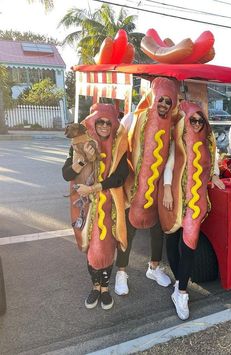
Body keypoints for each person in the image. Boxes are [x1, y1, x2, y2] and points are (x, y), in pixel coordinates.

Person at [159, 101, 224, 320]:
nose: (196, 124)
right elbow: (169, 164)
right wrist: (167, 190)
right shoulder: (178, 138)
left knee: (189, 242)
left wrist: (214, 175)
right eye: (193, 120)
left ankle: (182, 292)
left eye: (200, 120)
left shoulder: (208, 141)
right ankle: (179, 282)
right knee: (172, 236)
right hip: (175, 196)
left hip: (196, 201)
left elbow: (213, 161)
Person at [115, 77, 179, 296]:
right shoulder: (132, 119)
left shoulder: (171, 128)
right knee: (128, 230)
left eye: (168, 102)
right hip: (132, 187)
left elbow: (170, 158)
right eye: (161, 100)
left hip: (157, 188)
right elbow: (117, 149)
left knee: (156, 231)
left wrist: (167, 186)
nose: (163, 105)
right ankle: (121, 271)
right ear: (153, 97)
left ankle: (153, 267)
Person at [62, 103, 129, 309]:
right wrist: (85, 160)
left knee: (107, 246)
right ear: (93, 122)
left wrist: (96, 188)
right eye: (100, 121)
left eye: (109, 122)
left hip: (110, 204)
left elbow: (120, 176)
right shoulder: (80, 144)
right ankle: (95, 286)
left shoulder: (120, 145)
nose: (104, 126)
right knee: (90, 245)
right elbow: (66, 174)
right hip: (86, 206)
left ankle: (105, 288)